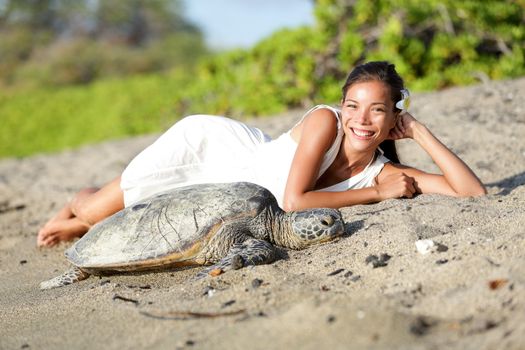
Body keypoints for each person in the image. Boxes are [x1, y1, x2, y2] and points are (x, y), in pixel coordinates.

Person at [37, 61, 486, 247]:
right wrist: (375, 196)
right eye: (354, 105)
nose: (361, 120)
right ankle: (75, 209)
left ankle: (80, 224)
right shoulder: (324, 123)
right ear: (342, 106)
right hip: (213, 154)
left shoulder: (385, 169)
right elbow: (293, 202)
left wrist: (423, 134)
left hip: (228, 195)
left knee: (134, 218)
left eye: (378, 110)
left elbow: (473, 194)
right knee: (101, 210)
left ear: (393, 118)